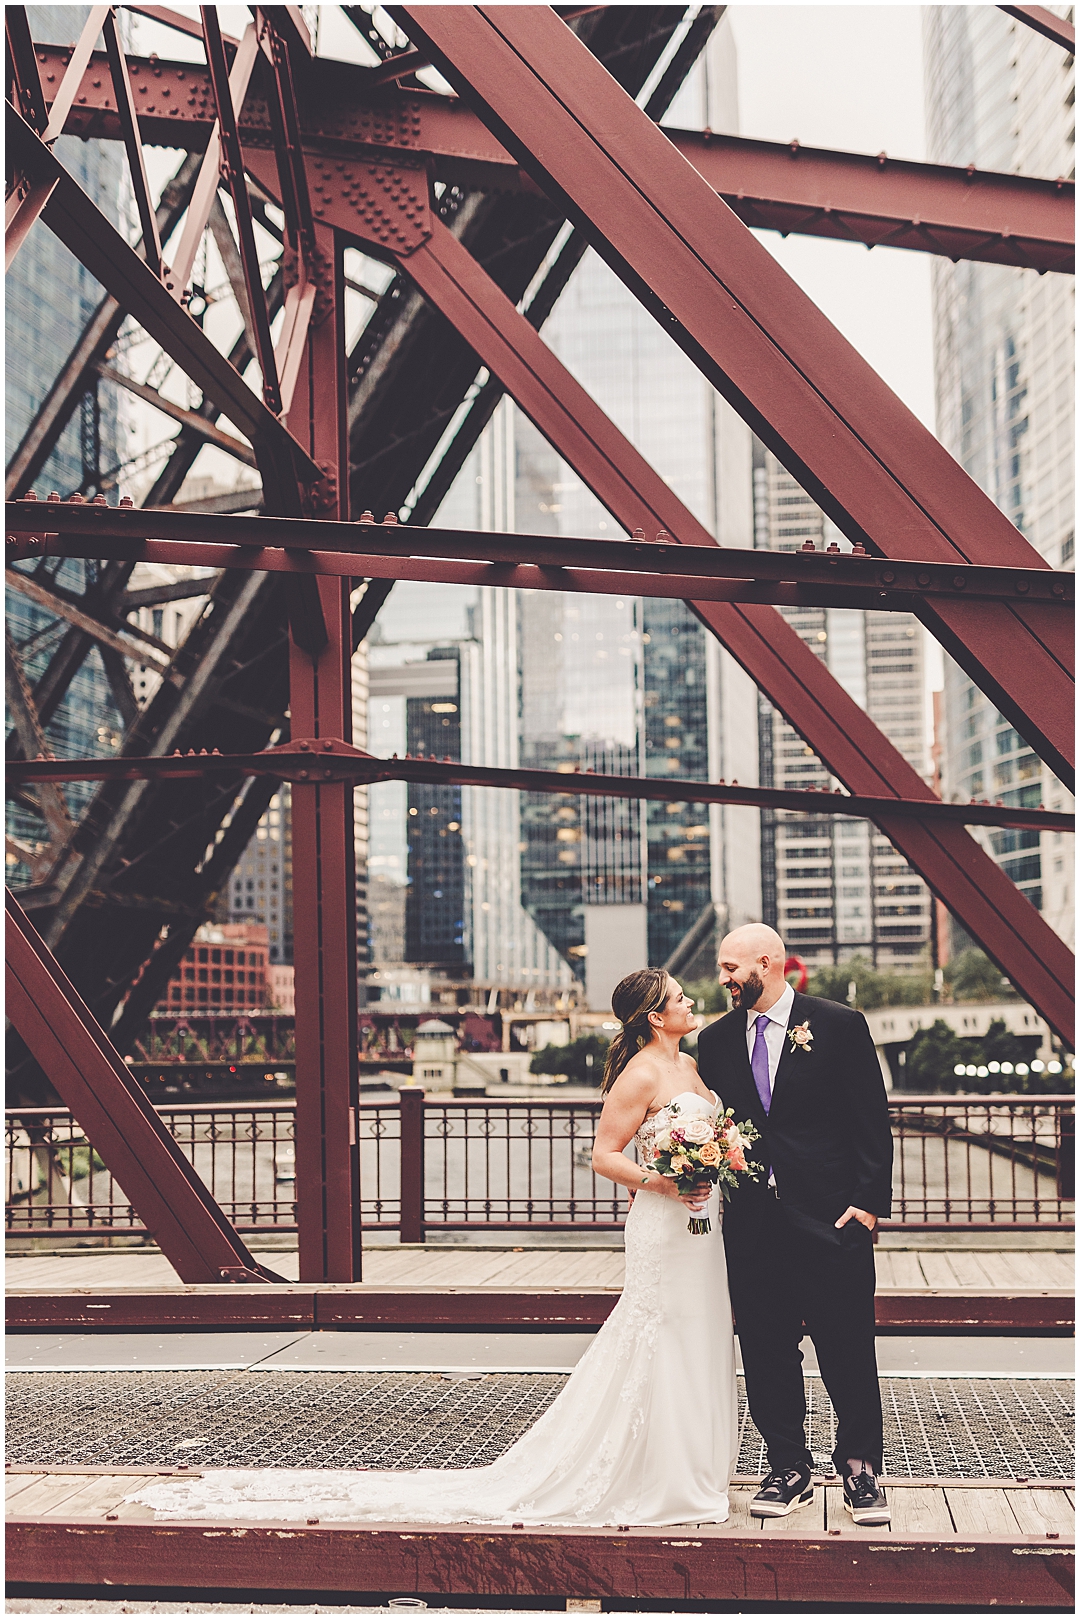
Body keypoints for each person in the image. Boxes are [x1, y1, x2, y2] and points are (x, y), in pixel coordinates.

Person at [136, 969, 738, 1529]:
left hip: (703, 1224)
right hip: (664, 1221)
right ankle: (659, 1476)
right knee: (660, 1332)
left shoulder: (689, 1068)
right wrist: (660, 1182)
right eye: (680, 997)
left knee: (700, 1332)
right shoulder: (641, 1074)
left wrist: (723, 1154)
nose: (690, 1001)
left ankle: (692, 1469)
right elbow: (604, 1156)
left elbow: (714, 1130)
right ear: (656, 1016)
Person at [695, 923, 893, 1528]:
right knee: (765, 1349)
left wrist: (868, 1204)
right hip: (754, 1224)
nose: (724, 979)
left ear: (768, 962)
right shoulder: (715, 1040)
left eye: (732, 968)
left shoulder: (838, 1024)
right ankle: (788, 1467)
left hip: (833, 1217)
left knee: (848, 1345)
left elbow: (871, 1120)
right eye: (722, 969)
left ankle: (859, 1467)